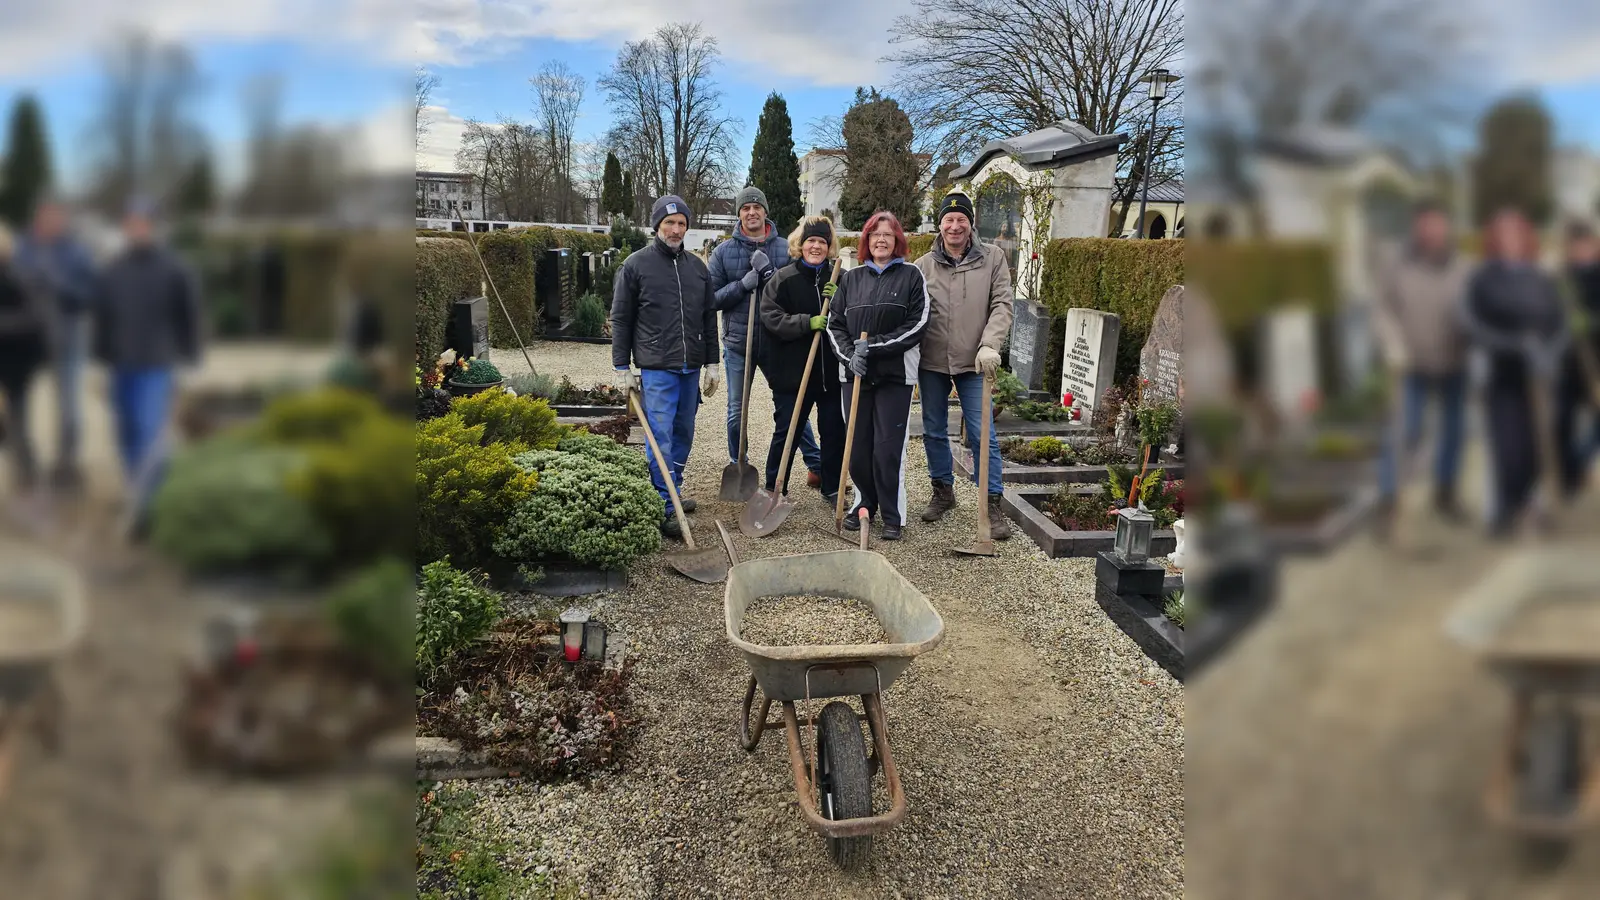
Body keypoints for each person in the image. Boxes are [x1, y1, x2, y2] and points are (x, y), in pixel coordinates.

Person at [611, 194, 722, 539]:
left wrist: (713, 364)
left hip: (690, 367)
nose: (675, 230)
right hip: (657, 366)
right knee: (660, 436)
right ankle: (664, 503)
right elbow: (622, 318)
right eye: (669, 223)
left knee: (683, 433)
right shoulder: (636, 266)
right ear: (657, 225)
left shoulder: (697, 269)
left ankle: (673, 487)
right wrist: (621, 366)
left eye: (681, 224)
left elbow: (708, 318)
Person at [93, 197, 205, 529]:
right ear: (125, 228)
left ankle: (149, 507)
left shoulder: (176, 269)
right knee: (124, 432)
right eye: (130, 223)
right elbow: (103, 318)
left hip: (156, 364)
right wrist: (99, 359)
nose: (136, 229)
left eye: (142, 223)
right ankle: (137, 490)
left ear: (154, 227)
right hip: (121, 364)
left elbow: (191, 315)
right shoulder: (113, 270)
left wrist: (192, 358)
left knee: (149, 433)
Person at [1459, 207, 1569, 535]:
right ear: (1493, 240)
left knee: (1541, 442)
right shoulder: (1481, 279)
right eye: (1503, 234)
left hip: (1540, 376)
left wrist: (1551, 351)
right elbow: (1472, 324)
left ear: (1526, 238)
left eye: (1517, 233)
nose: (1511, 240)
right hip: (1502, 374)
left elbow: (1561, 321)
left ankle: (1528, 503)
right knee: (1509, 445)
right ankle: (1505, 510)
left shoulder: (1543, 278)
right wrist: (1515, 345)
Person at [914, 189, 1015, 540]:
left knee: (982, 431)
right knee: (933, 429)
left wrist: (989, 344)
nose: (954, 226)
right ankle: (943, 490)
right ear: (940, 225)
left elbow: (1002, 304)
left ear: (970, 224)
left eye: (961, 219)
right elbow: (913, 313)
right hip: (933, 361)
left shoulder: (992, 258)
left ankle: (991, 503)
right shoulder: (923, 265)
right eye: (948, 219)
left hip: (976, 361)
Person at [707, 185, 823, 488]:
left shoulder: (787, 248)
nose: (751, 212)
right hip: (737, 343)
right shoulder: (723, 252)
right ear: (739, 214)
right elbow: (712, 300)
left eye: (756, 207)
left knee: (791, 407)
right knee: (736, 411)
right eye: (745, 208)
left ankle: (816, 464)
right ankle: (739, 466)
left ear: (765, 211)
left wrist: (770, 274)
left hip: (778, 342)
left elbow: (796, 291)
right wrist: (744, 284)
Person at [1370, 199, 1474, 534]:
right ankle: (1389, 501)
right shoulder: (1396, 264)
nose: (1430, 229)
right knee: (1404, 430)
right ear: (1415, 226)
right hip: (1410, 363)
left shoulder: (1463, 265)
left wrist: (1472, 338)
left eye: (1437, 222)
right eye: (1424, 222)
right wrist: (1392, 346)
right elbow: (1382, 308)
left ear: (1447, 226)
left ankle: (1445, 493)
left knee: (1455, 430)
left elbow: (1473, 309)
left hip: (1453, 361)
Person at [826, 210, 929, 540]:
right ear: (865, 241)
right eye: (874, 234)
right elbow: (836, 325)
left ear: (898, 240)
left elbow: (917, 323)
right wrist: (850, 356)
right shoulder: (851, 279)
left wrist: (875, 347)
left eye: (887, 234)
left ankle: (892, 513)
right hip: (855, 376)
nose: (881, 239)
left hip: (894, 377)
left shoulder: (912, 276)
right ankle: (863, 504)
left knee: (887, 449)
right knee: (857, 448)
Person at [757, 215, 847, 508]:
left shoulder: (839, 279)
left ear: (829, 245)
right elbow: (770, 317)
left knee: (834, 431)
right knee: (788, 431)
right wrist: (806, 323)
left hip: (830, 374)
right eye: (811, 241)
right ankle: (774, 488)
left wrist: (840, 302)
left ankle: (832, 487)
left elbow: (854, 316)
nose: (816, 246)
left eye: (822, 241)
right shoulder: (783, 278)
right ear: (800, 244)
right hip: (793, 373)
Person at [12, 196, 97, 492]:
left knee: (69, 406)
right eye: (45, 216)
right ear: (36, 217)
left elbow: (90, 296)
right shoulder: (20, 249)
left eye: (56, 217)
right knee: (16, 406)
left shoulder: (77, 252)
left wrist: (61, 286)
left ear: (63, 219)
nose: (50, 222)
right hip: (24, 341)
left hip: (66, 339)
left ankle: (66, 465)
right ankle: (25, 466)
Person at [0, 223, 54, 498]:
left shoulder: (21, 278)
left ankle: (28, 481)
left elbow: (35, 319)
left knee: (18, 425)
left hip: (16, 366)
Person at [1554, 221, 1600, 493]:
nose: (1581, 250)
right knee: (1561, 421)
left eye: (1586, 245)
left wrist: (1592, 322)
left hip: (1598, 362)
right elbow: (1554, 312)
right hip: (1570, 364)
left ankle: (1582, 461)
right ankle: (1569, 474)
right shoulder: (1562, 278)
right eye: (1576, 246)